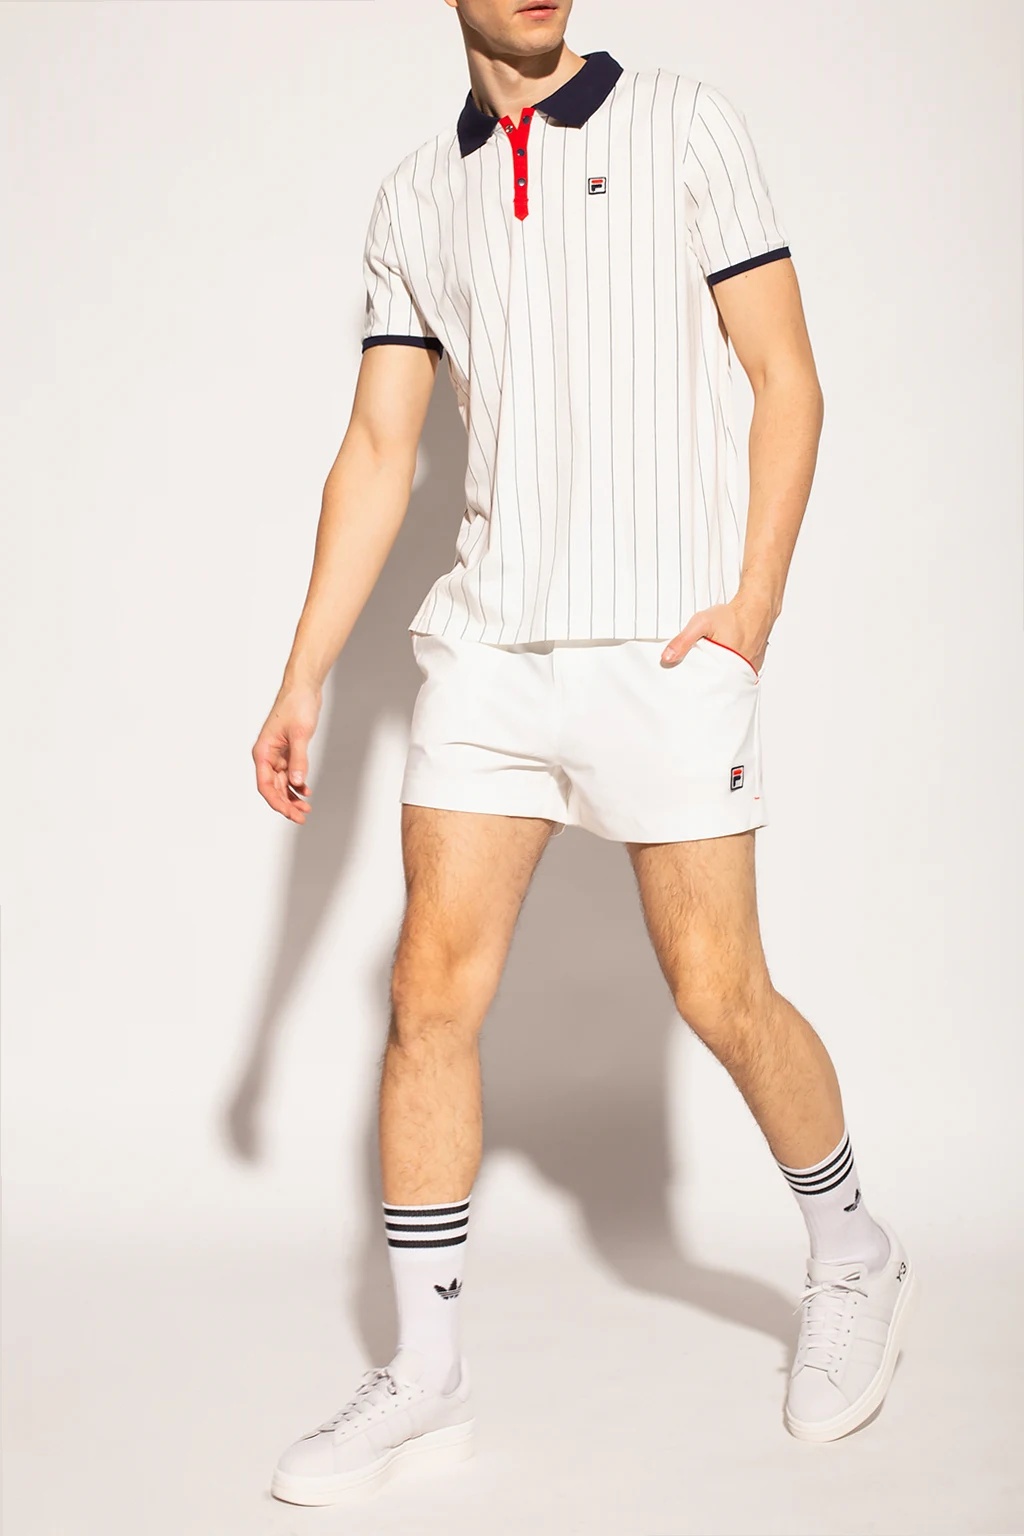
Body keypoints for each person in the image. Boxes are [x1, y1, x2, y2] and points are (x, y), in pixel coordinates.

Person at [256, 1, 916, 1508]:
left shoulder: (685, 125)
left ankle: (856, 1249)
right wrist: (301, 676)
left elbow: (787, 375)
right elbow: (380, 450)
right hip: (488, 654)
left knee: (720, 992)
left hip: (662, 651)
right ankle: (428, 1373)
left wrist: (752, 608)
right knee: (428, 998)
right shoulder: (416, 198)